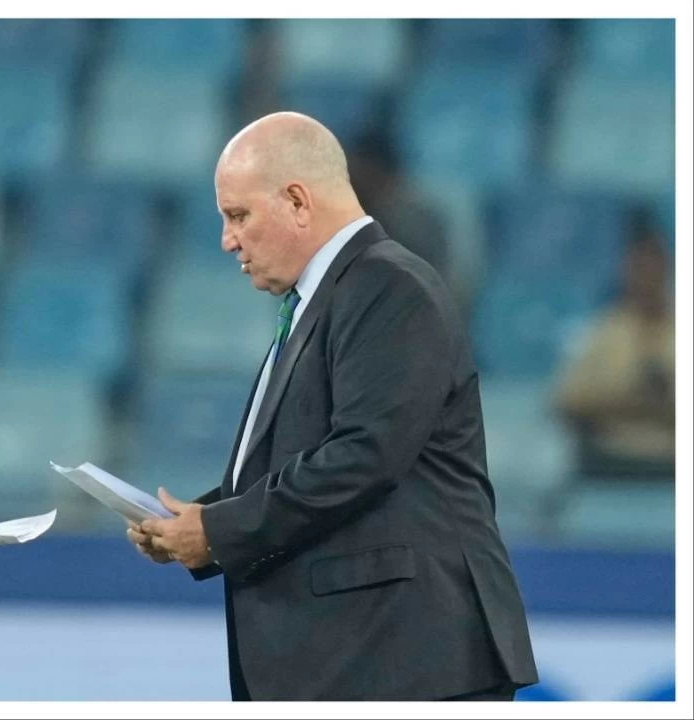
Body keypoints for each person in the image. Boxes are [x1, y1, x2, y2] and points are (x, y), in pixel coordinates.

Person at [128, 112, 539, 701]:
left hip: (406, 660)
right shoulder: (333, 296)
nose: (227, 239)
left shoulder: (391, 287)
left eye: (238, 215)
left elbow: (362, 456)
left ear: (297, 200)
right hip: (361, 657)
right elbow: (307, 454)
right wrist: (193, 521)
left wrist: (218, 530)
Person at [554, 212, 675, 479]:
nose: (647, 273)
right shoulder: (603, 332)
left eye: (653, 263)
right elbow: (565, 401)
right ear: (626, 268)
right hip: (612, 461)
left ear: (667, 266)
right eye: (638, 265)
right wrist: (628, 399)